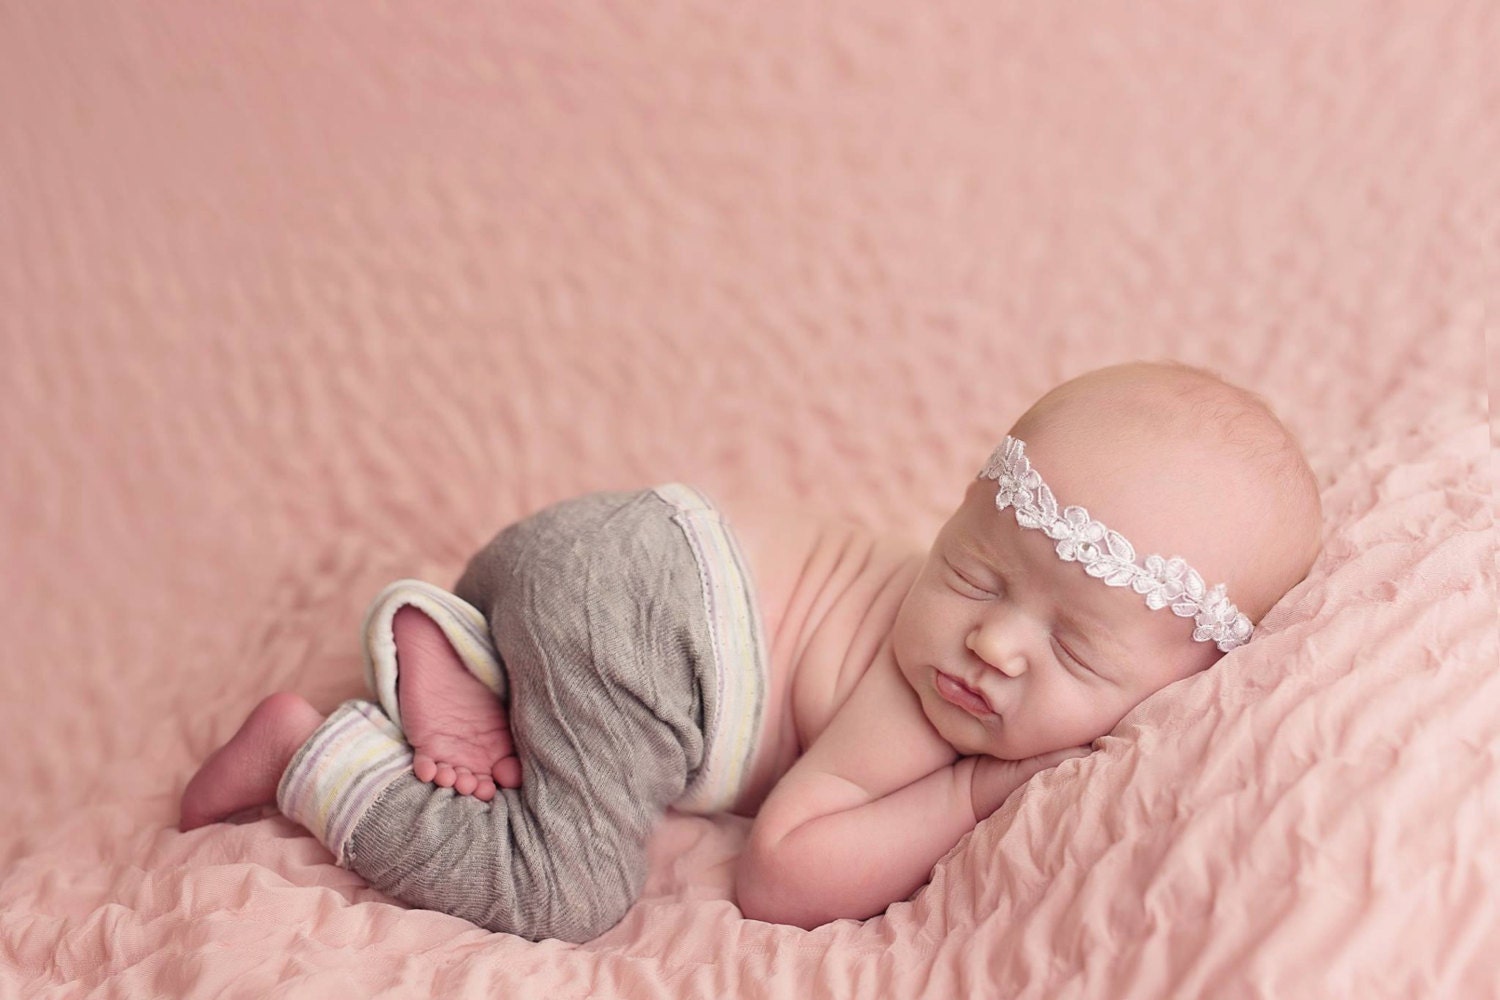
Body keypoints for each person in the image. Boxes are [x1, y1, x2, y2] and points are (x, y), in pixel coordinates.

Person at [180, 360, 1323, 940]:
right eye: (973, 572)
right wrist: (973, 786)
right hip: (649, 630)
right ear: (958, 518)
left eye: (1073, 648)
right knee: (566, 889)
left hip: (592, 548)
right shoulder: (928, 707)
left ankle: (467, 654)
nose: (990, 642)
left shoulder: (974, 639)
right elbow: (781, 870)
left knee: (562, 725)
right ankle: (314, 756)